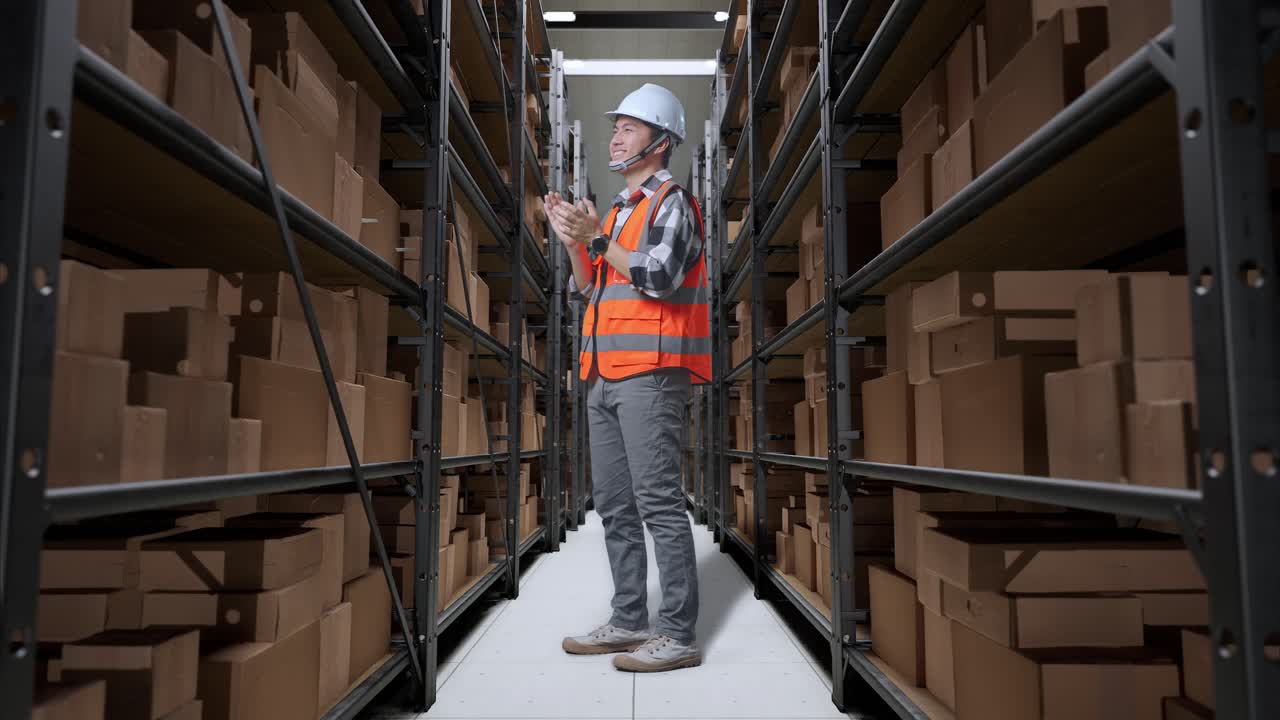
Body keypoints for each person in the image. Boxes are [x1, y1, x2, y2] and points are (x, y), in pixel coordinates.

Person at [543, 83, 710, 673]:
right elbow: (589, 288)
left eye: (630, 127)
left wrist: (598, 240)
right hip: (601, 373)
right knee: (614, 506)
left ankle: (678, 634)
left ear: (661, 142)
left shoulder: (673, 203)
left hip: (652, 375)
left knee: (658, 503)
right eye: (615, 126)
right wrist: (573, 244)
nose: (616, 134)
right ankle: (629, 619)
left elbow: (657, 276)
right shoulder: (615, 211)